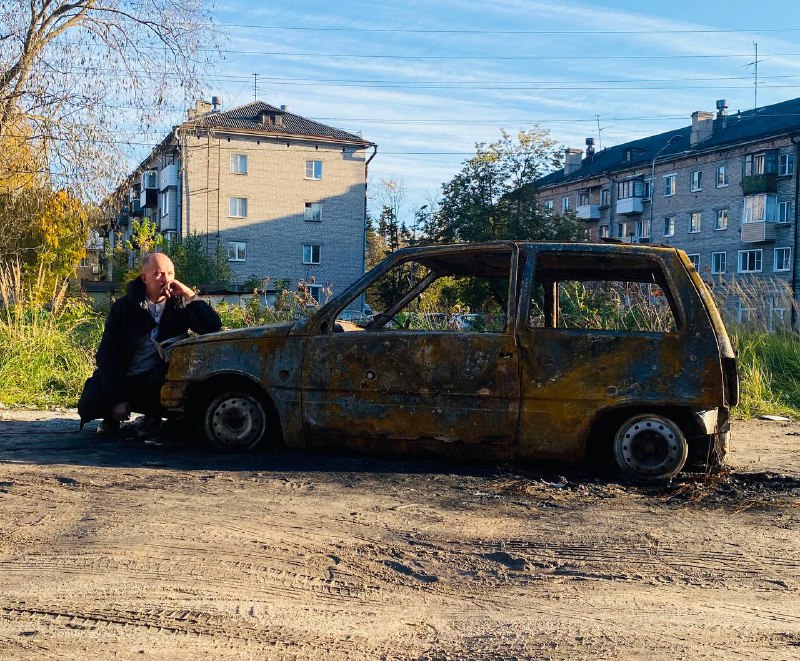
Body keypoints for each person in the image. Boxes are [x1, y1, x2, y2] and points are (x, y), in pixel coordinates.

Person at [78, 252, 221, 436]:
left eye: (170, 273)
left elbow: (212, 327)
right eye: (158, 274)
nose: (166, 279)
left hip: (156, 380)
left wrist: (189, 294)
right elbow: (107, 355)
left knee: (171, 385)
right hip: (125, 376)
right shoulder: (124, 308)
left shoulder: (180, 304)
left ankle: (152, 417)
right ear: (144, 278)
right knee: (90, 403)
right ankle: (111, 417)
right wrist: (118, 398)